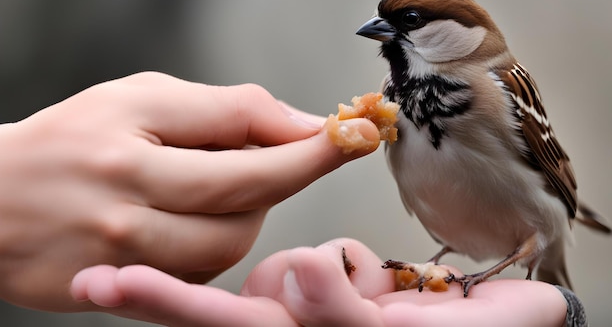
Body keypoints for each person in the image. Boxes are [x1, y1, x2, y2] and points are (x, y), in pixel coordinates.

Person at [0, 72, 579, 326]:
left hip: (537, 223)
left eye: (407, 23)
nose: (384, 35)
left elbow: (548, 164)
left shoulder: (498, 89)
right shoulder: (394, 97)